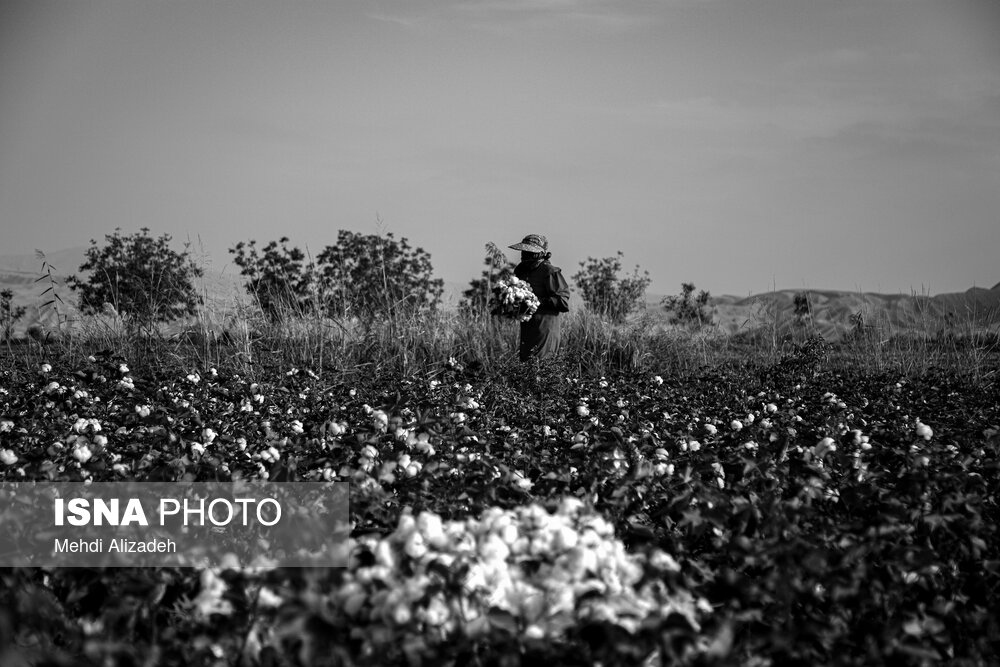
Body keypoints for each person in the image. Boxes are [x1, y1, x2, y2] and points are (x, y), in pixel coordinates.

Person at [508, 234, 570, 362]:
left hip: (545, 328)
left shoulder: (549, 272)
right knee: (526, 364)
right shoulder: (521, 271)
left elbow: (562, 301)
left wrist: (537, 301)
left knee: (540, 364)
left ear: (539, 254)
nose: (524, 255)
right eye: (523, 251)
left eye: (529, 252)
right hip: (528, 328)